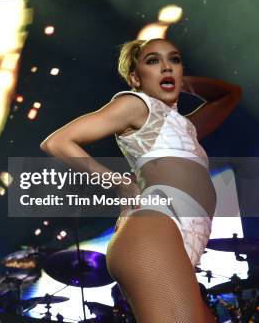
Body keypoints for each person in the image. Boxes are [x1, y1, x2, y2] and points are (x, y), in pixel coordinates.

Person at [40, 38, 241, 322]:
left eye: (174, 59)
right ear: (135, 77)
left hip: (183, 243)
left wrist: (176, 80)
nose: (166, 66)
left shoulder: (187, 128)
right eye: (153, 61)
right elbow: (58, 142)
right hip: (155, 228)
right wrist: (117, 182)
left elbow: (230, 94)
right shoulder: (137, 105)